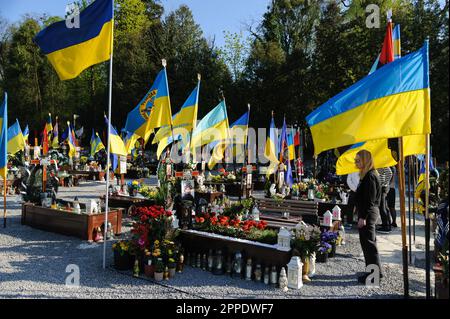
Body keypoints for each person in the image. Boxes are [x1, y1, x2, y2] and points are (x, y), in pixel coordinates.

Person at [354, 150, 383, 283]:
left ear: (366, 161)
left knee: (369, 245)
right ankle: (374, 272)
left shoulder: (370, 176)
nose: (356, 162)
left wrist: (363, 217)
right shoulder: (368, 175)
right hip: (368, 213)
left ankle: (373, 276)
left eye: (358, 160)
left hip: (368, 214)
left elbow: (369, 200)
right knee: (369, 244)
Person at [376, 167, 393, 233]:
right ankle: (387, 223)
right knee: (384, 207)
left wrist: (384, 183)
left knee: (382, 207)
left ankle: (386, 226)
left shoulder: (383, 163)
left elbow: (389, 173)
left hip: (382, 187)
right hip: (382, 187)